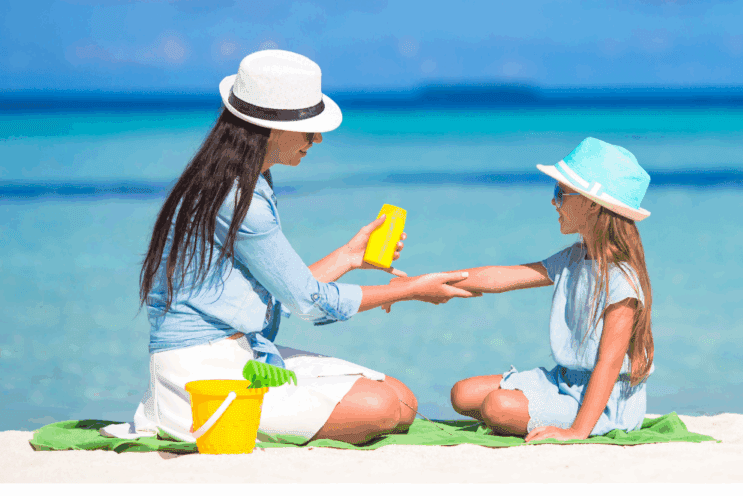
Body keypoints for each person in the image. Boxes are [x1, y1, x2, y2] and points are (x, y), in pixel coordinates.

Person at [128, 49, 475, 446]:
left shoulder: (244, 183)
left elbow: (286, 290)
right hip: (201, 372)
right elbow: (307, 302)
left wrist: (349, 255)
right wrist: (410, 290)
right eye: (309, 127)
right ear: (271, 129)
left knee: (401, 399)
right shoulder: (238, 197)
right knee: (381, 407)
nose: (318, 138)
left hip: (246, 352)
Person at [442, 137, 654, 441]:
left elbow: (608, 365)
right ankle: (536, 409)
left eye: (560, 193)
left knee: (496, 407)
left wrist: (577, 432)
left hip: (606, 401)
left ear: (593, 204)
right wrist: (429, 281)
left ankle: (559, 418)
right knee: (462, 394)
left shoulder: (623, 281)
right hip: (563, 381)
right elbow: (501, 277)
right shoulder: (574, 258)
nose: (554, 201)